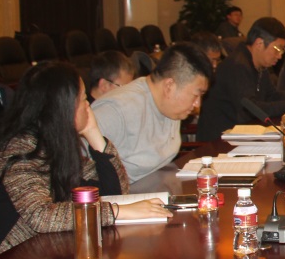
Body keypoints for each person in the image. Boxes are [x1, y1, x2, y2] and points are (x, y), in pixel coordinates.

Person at [0, 64, 169, 252]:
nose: (88, 106)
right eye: (83, 99)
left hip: (36, 249)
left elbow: (113, 193)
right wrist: (117, 212)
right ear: (64, 107)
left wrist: (93, 133)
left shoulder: (58, 144)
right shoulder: (20, 148)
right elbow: (41, 216)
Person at [91, 43, 213, 181]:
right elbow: (79, 172)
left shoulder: (171, 107)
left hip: (160, 187)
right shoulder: (115, 110)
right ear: (169, 86)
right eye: (196, 95)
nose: (197, 104)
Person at [197, 18, 285, 142]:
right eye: (277, 49)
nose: (280, 56)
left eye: (282, 50)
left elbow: (271, 95)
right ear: (259, 44)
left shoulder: (259, 64)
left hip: (240, 135)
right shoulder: (237, 66)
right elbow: (250, 109)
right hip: (218, 141)